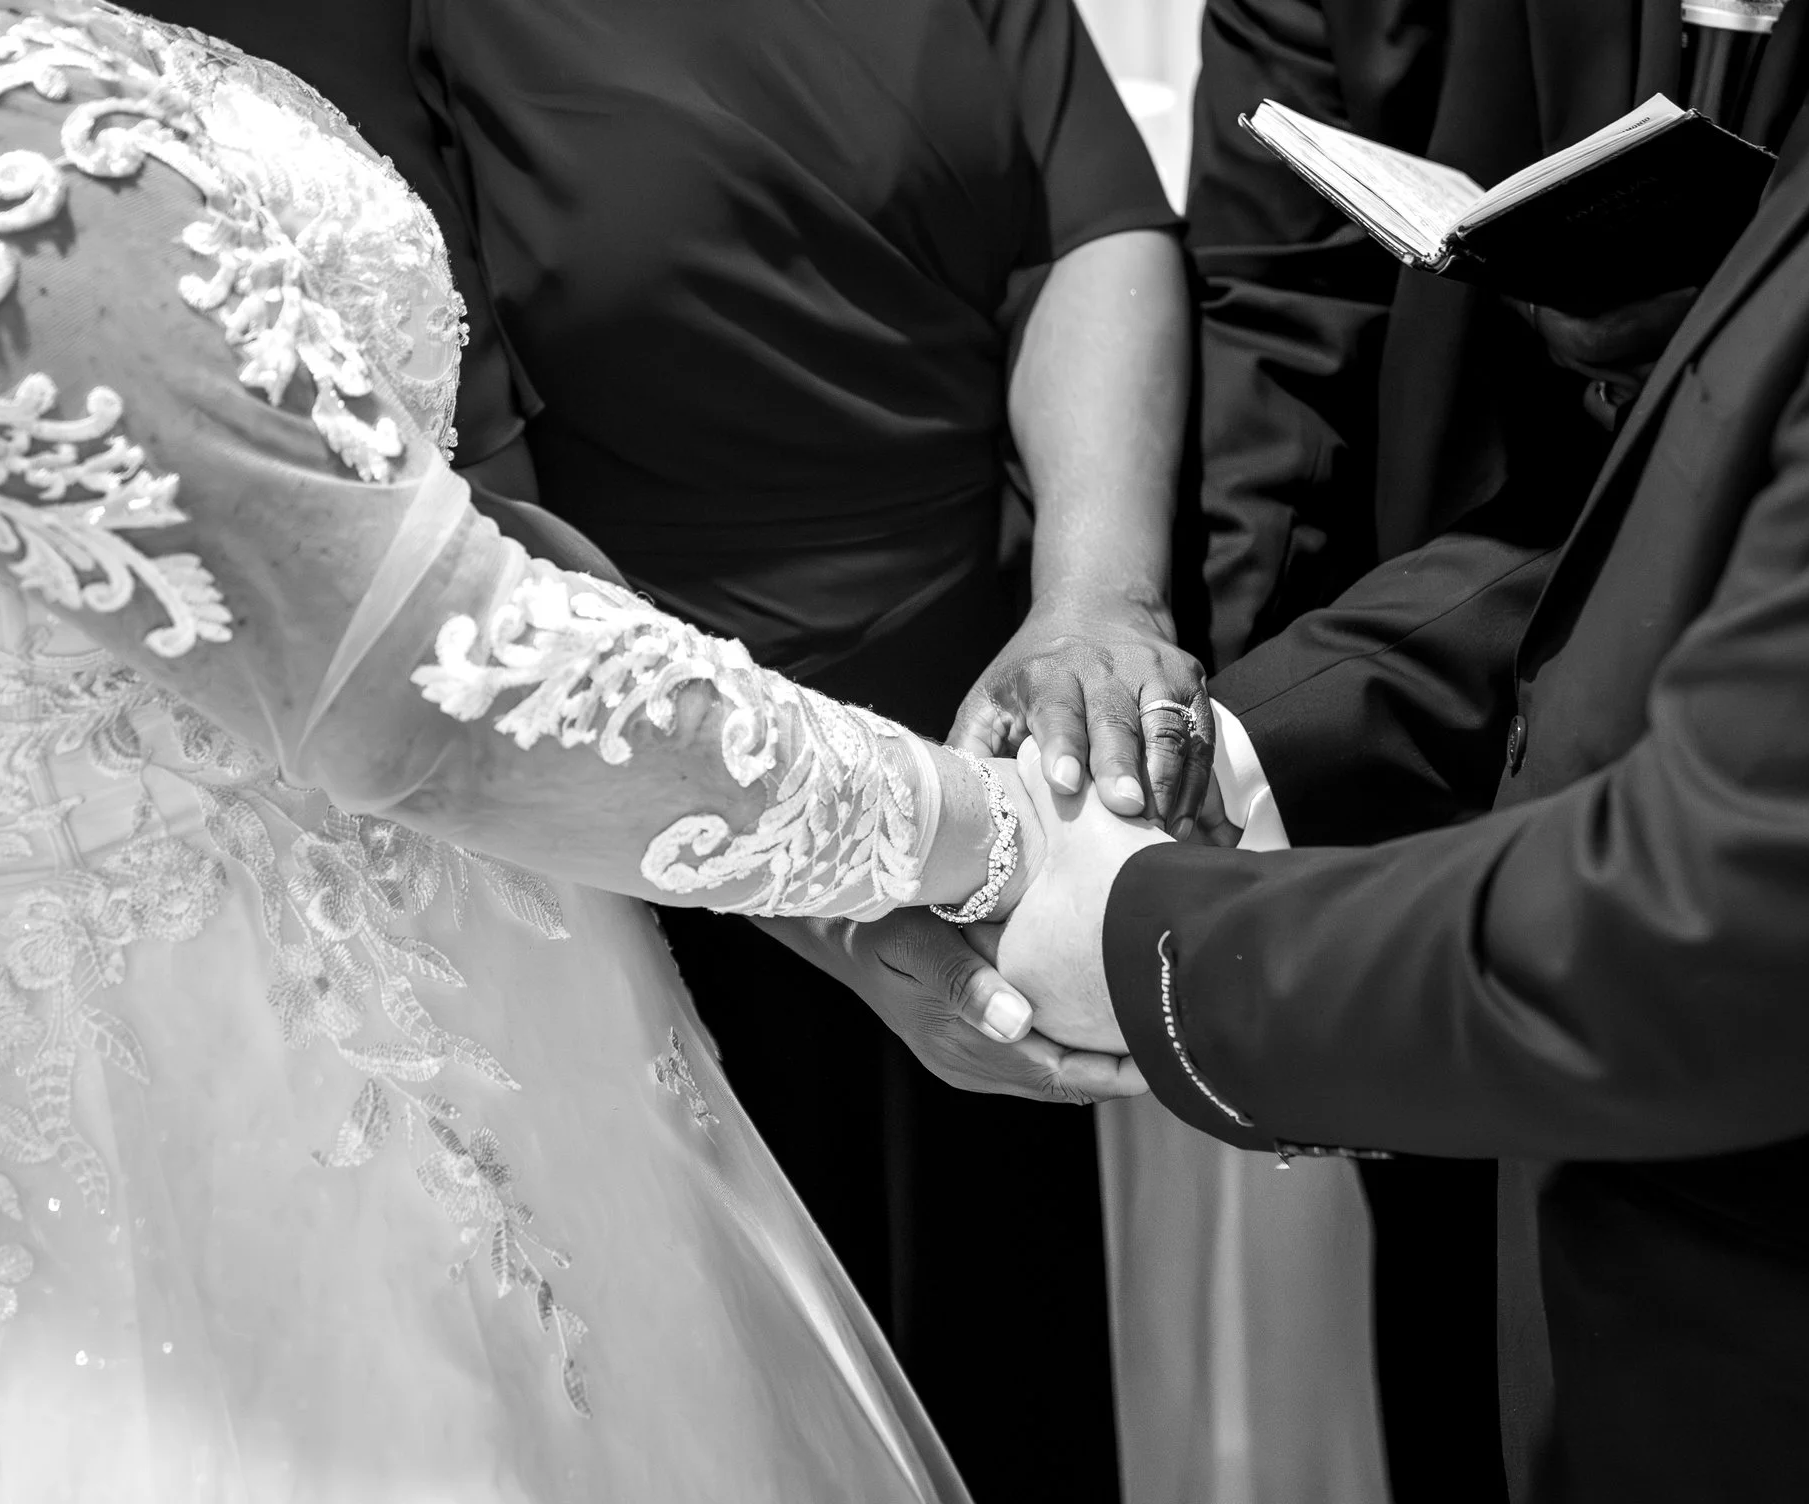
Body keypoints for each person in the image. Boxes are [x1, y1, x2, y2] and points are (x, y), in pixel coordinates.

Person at [0, 2, 1132, 1496]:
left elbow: (452, 532)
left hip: (525, 1033)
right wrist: (990, 838)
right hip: (123, 1123)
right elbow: (425, 675)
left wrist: (833, 898)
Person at [989, 0, 1809, 1496]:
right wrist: (1233, 752)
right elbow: (1675, 529)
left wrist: (1161, 947)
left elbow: (1722, 925)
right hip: (1666, 1286)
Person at [121, 3, 1199, 1491]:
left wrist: (1094, 596)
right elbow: (466, 533)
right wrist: (831, 874)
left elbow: (1090, 220)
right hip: (651, 799)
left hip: (997, 727)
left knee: (1006, 1363)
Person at [1154, 2, 1809, 1495]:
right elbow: (1276, 308)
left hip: (1796, 748)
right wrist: (1224, 754)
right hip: (1429, 747)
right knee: (1466, 1348)